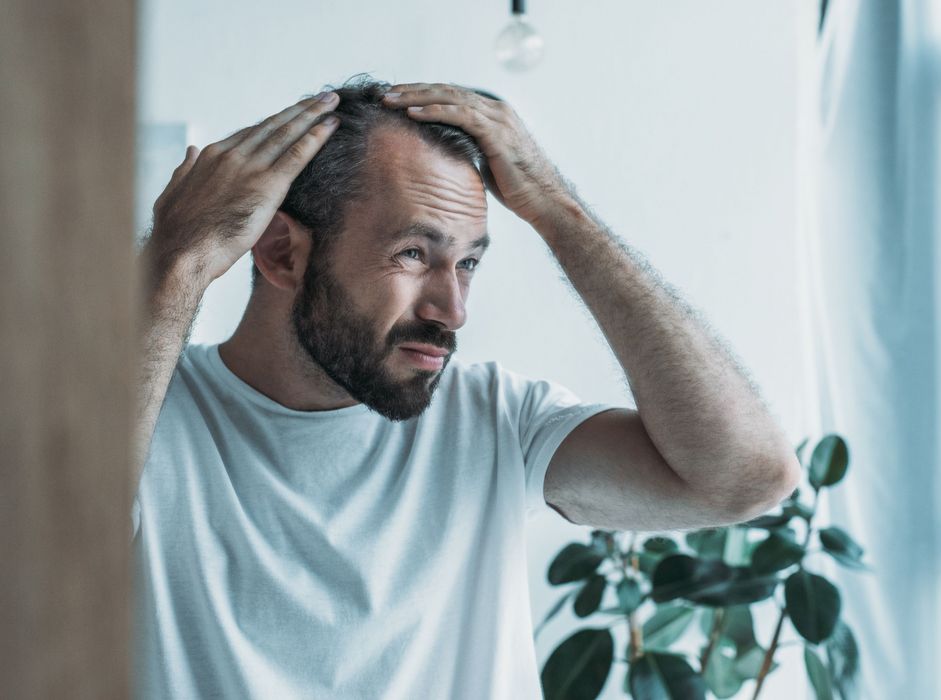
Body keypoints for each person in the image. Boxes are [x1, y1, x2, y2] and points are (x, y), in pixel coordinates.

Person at [132, 75, 801, 698]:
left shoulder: (496, 419)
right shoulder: (146, 409)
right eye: (414, 255)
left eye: (469, 262)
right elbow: (38, 549)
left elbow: (744, 480)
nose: (453, 311)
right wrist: (177, 263)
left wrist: (557, 211)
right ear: (282, 254)